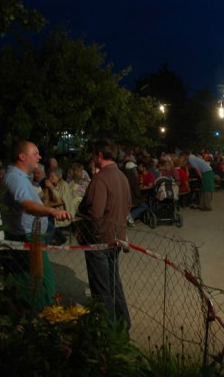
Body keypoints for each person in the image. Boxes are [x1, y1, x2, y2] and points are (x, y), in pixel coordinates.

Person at [0, 141, 71, 310]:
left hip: (29, 236)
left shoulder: (20, 178)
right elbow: (25, 204)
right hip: (25, 237)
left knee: (34, 279)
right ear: (22, 156)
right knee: (38, 281)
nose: (39, 157)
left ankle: (35, 312)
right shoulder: (15, 178)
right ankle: (42, 314)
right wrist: (52, 211)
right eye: (35, 153)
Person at [77, 139, 132, 327]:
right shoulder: (122, 176)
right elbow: (128, 205)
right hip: (116, 238)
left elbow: (95, 214)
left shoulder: (100, 179)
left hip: (99, 241)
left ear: (99, 154)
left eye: (93, 154)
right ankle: (123, 324)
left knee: (101, 289)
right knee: (114, 283)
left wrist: (91, 236)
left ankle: (107, 329)